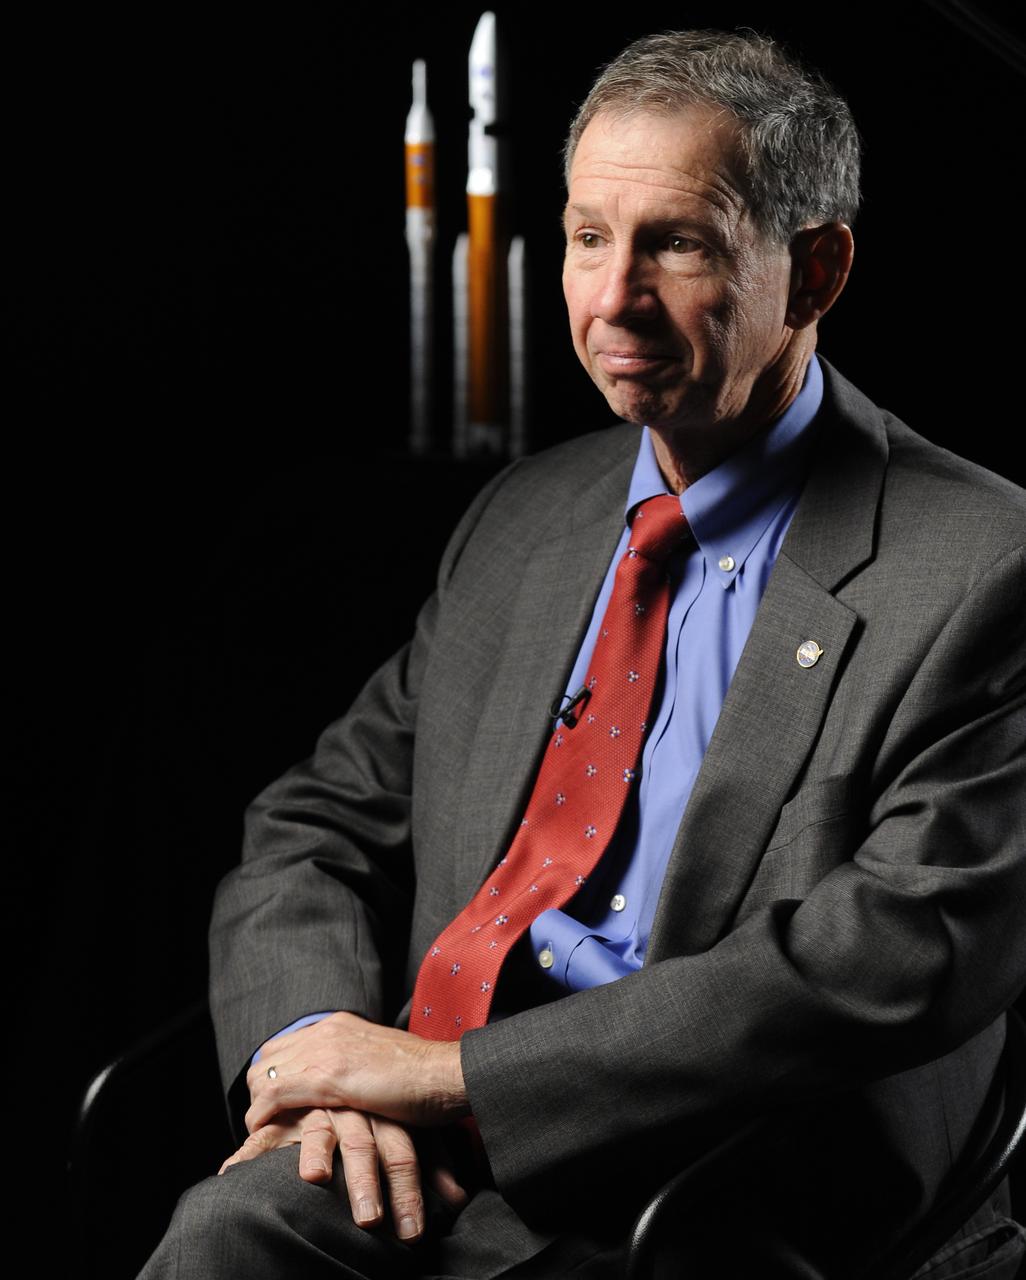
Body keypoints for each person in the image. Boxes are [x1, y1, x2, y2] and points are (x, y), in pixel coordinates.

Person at [142, 29, 1026, 1280]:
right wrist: (317, 1060)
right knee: (225, 1238)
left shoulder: (984, 563)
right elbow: (316, 818)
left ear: (816, 271)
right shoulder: (526, 520)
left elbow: (895, 955)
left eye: (675, 241)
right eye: (587, 237)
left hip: (712, 1183)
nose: (613, 299)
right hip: (417, 1144)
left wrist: (450, 1077)